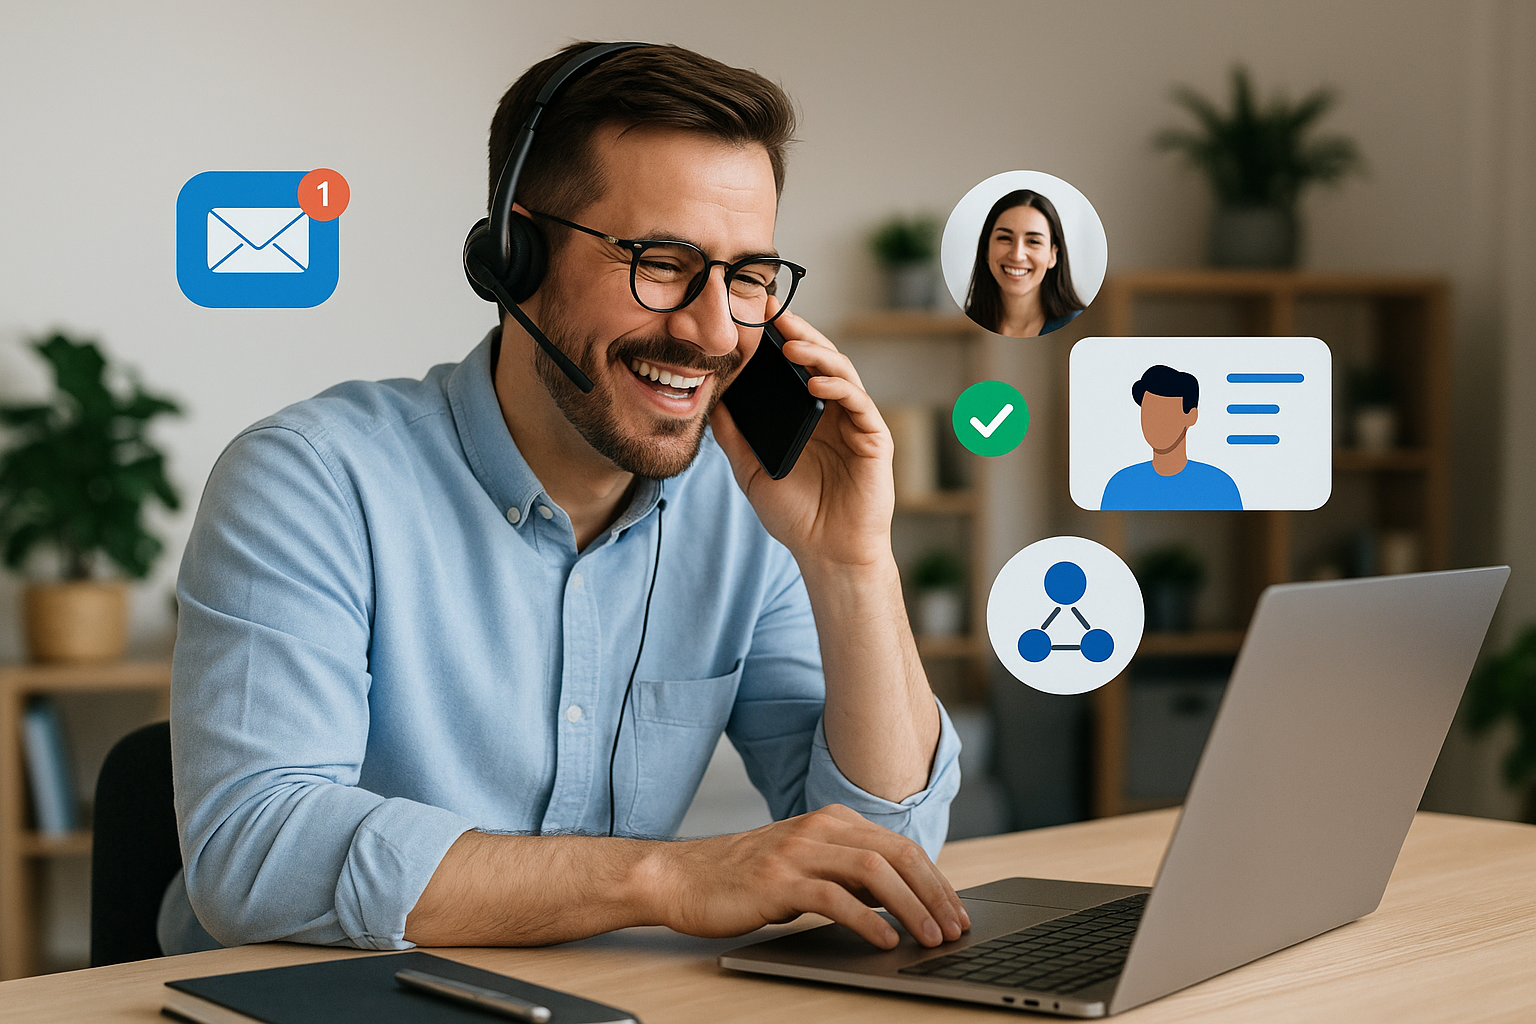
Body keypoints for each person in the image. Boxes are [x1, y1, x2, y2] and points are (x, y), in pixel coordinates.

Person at [159, 42, 968, 959]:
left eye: (747, 278)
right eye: (663, 262)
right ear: (515, 256)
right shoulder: (310, 480)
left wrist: (851, 561)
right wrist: (666, 877)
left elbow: (889, 867)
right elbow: (254, 857)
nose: (713, 331)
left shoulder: (747, 508)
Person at [1100, 364, 1243, 510]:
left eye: (1165, 414)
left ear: (1191, 417)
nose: (1154, 423)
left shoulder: (1219, 487)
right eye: (1149, 412)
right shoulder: (1121, 486)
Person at [963, 189, 1086, 338]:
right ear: (986, 250)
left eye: (1033, 241)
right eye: (1004, 238)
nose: (1017, 255)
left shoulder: (1083, 328)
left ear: (1053, 255)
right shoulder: (963, 327)